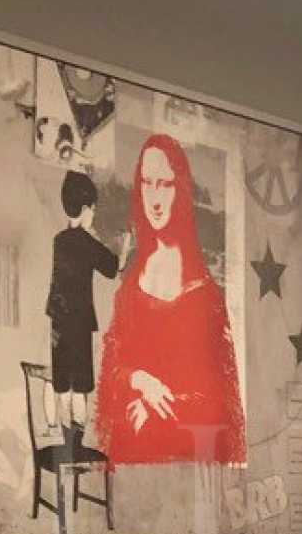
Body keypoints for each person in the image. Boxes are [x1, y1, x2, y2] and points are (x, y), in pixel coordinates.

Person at [95, 134, 247, 466]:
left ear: (181, 190)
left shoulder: (205, 293)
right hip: (129, 449)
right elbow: (111, 363)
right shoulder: (131, 280)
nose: (155, 198)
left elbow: (220, 399)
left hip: (183, 458)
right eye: (147, 183)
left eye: (165, 184)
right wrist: (140, 381)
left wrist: (157, 406)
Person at [43, 169, 117, 434]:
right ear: (86, 209)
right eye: (93, 210)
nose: (93, 215)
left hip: (59, 320)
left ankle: (63, 434)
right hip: (79, 321)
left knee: (63, 381)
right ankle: (77, 437)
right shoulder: (86, 242)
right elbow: (112, 267)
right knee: (81, 385)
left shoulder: (59, 240)